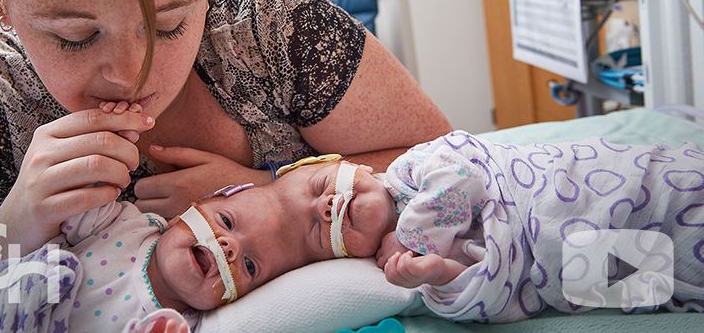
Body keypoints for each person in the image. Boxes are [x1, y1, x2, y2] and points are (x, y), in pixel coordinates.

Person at [0, 0, 451, 284]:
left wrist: (270, 193)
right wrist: (16, 223)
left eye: (168, 25)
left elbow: (447, 166)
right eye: (75, 37)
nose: (133, 74)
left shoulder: (270, 21)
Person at [266, 132, 704, 322]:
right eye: (316, 230)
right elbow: (494, 290)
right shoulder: (414, 259)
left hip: (579, 191)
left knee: (674, 196)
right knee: (670, 273)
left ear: (351, 166)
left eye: (322, 186)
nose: (326, 207)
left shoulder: (411, 170)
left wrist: (410, 235)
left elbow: (463, 176)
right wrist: (439, 276)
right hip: (571, 264)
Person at [0, 152, 329, 332]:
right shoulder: (123, 224)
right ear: (194, 206)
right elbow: (83, 191)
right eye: (226, 221)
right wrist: (116, 135)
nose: (230, 247)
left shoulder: (179, 324)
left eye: (251, 266)